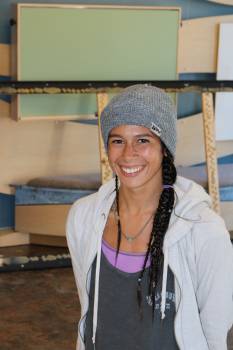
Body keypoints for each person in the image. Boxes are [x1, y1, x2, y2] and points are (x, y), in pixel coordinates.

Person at [66, 84, 233, 350]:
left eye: (143, 140)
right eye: (117, 140)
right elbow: (89, 309)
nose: (128, 153)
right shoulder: (84, 218)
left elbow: (215, 333)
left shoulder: (203, 230)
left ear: (164, 148)